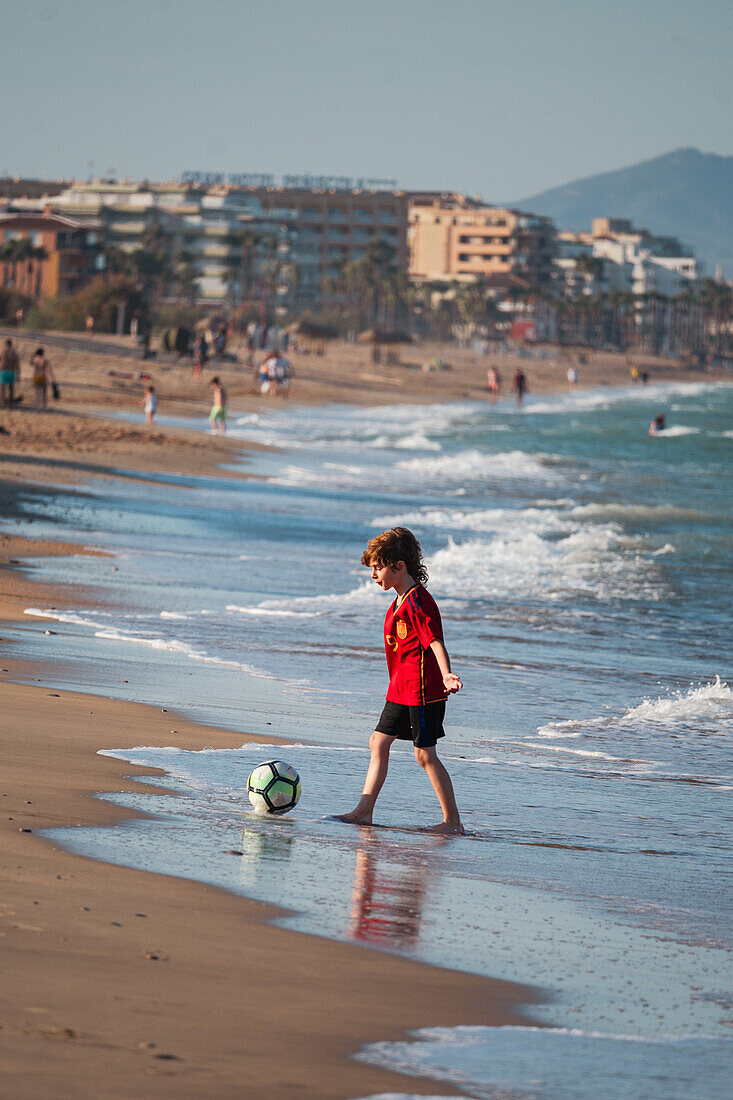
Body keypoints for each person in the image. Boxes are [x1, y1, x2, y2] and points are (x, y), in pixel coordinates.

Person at [335, 527, 464, 834]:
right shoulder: (399, 600)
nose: (373, 575)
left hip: (421, 693)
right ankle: (363, 812)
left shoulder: (417, 602)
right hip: (400, 691)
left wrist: (446, 673)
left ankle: (453, 822)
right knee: (378, 742)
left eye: (377, 567)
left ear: (399, 566)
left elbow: (434, 642)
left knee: (425, 756)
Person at [0, 339, 19, 408]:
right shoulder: (14, 353)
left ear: (6, 344)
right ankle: (11, 405)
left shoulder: (2, 352)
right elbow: (17, 365)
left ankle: (3, 404)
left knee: (2, 389)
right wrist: (18, 375)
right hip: (11, 372)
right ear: (11, 345)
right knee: (11, 389)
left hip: (3, 371)